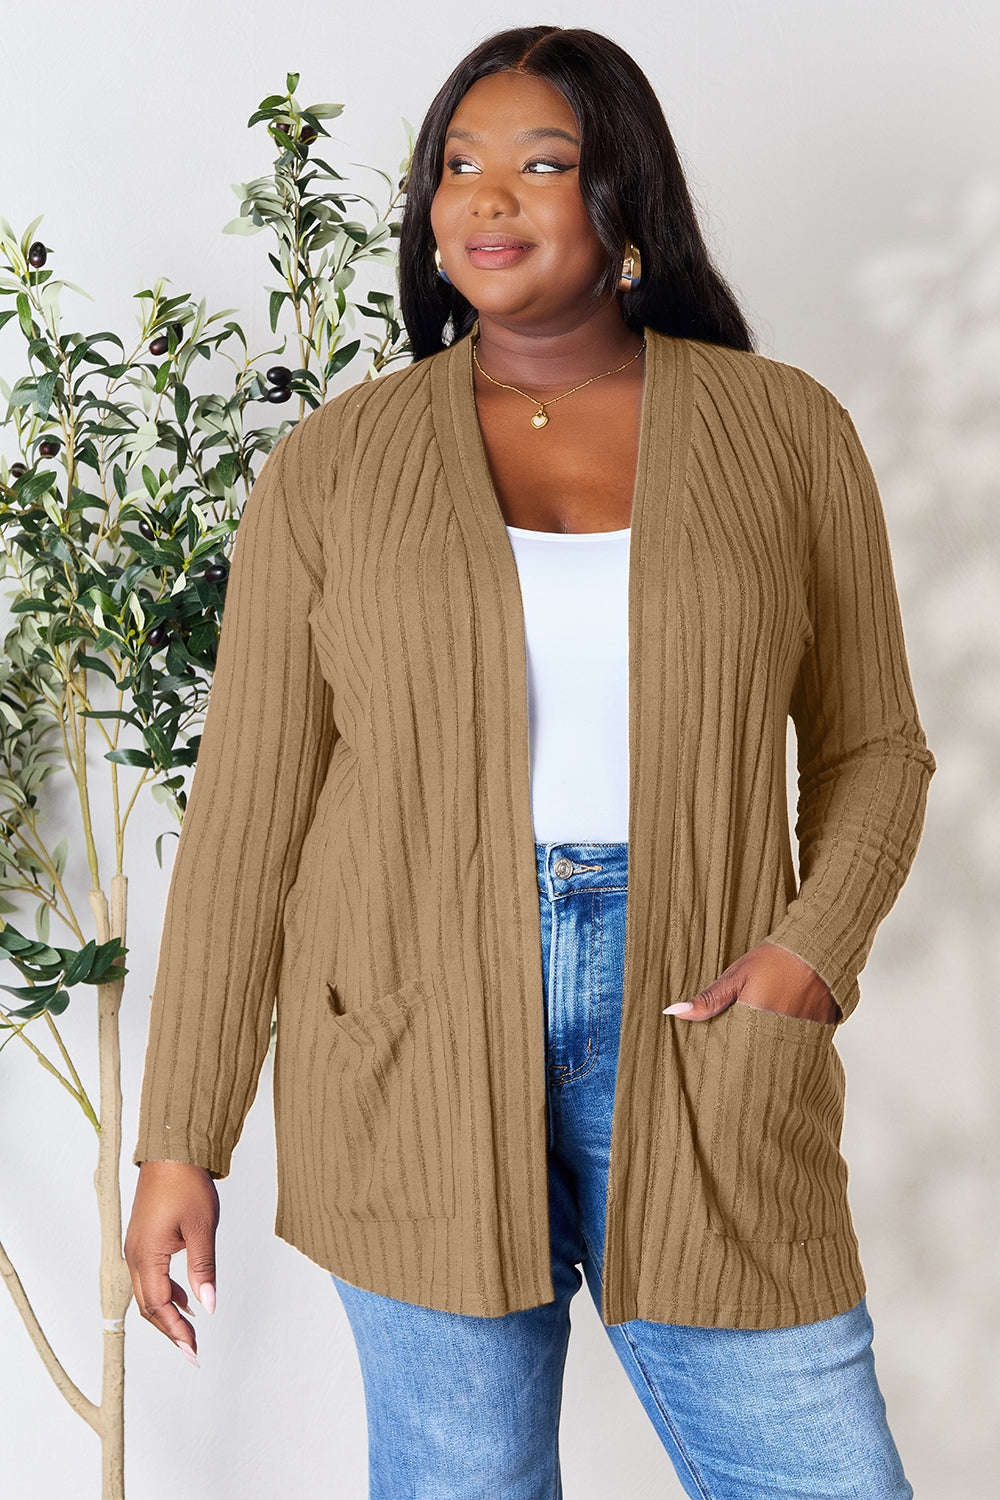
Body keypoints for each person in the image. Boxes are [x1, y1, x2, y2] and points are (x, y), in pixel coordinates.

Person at [124, 24, 936, 1499]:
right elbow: (249, 820)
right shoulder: (337, 466)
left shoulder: (785, 434)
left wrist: (810, 953)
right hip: (408, 1026)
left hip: (701, 1019)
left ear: (625, 203)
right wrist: (181, 1142)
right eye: (458, 165)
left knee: (824, 1472)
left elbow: (879, 744)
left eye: (541, 165)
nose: (487, 199)